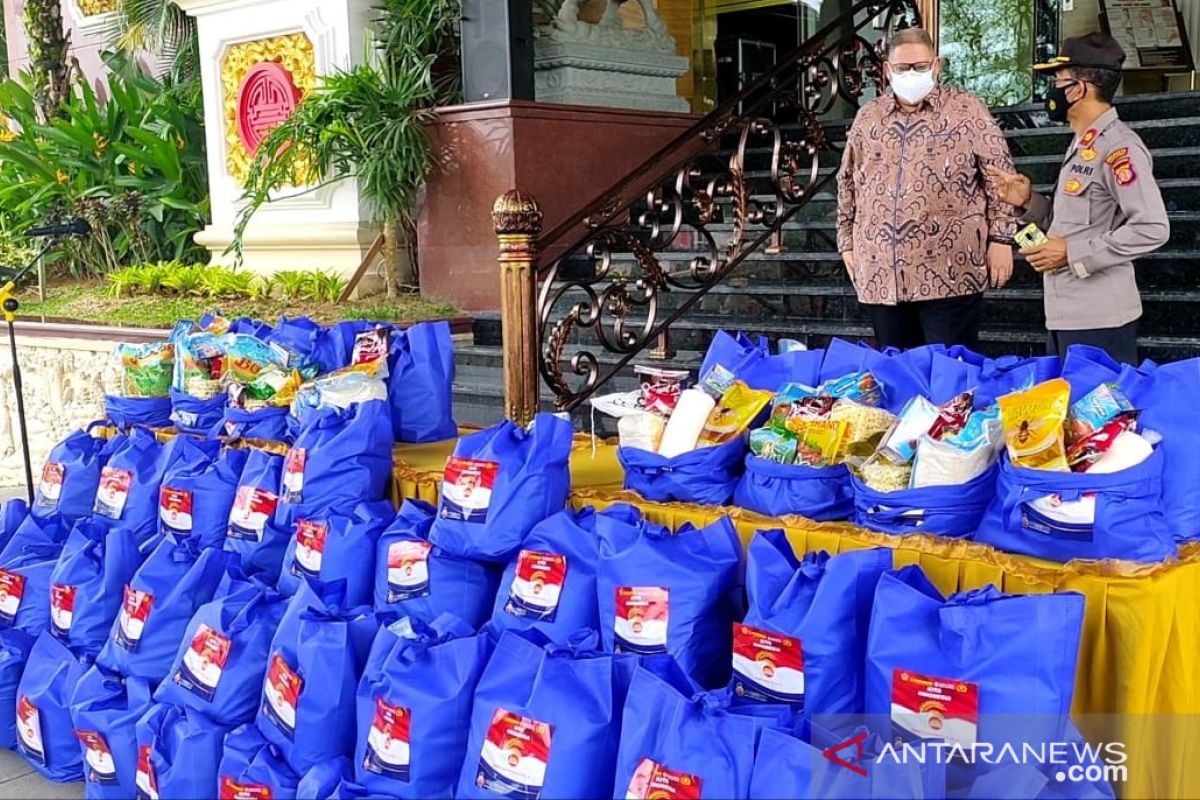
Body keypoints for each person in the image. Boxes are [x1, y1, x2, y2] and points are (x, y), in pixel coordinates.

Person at [986, 32, 1169, 365]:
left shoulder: (1119, 149)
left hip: (1100, 319)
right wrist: (1028, 202)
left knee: (1095, 417)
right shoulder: (1083, 144)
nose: (1051, 91)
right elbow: (1074, 219)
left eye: (1058, 81)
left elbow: (1152, 227)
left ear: (1079, 88)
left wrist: (1073, 252)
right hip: (1065, 312)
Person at [837, 27, 1016, 351]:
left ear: (936, 66)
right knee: (898, 377)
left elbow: (1001, 178)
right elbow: (847, 182)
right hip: (882, 274)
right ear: (888, 70)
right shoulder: (868, 117)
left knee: (948, 380)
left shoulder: (966, 110)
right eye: (903, 68)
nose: (912, 74)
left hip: (950, 272)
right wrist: (846, 243)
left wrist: (1001, 238)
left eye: (920, 67)